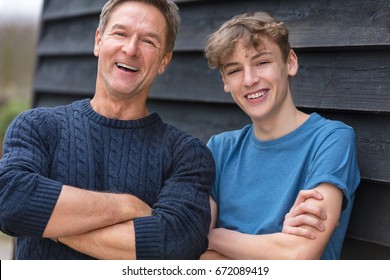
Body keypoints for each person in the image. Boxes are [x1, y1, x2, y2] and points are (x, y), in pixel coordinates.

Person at [0, 0, 216, 260]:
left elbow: (173, 245)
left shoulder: (187, 155)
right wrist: (127, 205)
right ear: (98, 42)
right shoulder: (36, 127)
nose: (131, 48)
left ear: (164, 60)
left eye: (149, 41)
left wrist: (47, 224)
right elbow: (10, 200)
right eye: (120, 33)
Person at [201, 11, 360, 260]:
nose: (249, 80)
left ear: (290, 62)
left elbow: (298, 254)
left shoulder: (330, 139)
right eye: (234, 70)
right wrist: (276, 246)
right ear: (225, 81)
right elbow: (189, 246)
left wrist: (214, 237)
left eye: (262, 62)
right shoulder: (219, 150)